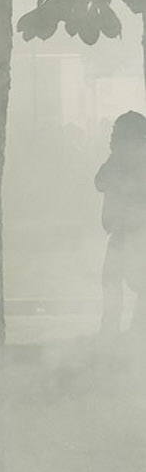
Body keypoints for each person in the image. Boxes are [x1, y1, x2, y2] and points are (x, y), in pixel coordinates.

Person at [95, 110, 146, 340]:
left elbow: (103, 182)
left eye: (116, 132)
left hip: (135, 233)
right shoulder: (119, 157)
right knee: (113, 281)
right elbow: (100, 181)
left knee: (127, 282)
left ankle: (128, 330)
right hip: (123, 232)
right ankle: (119, 330)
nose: (112, 136)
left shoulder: (131, 158)